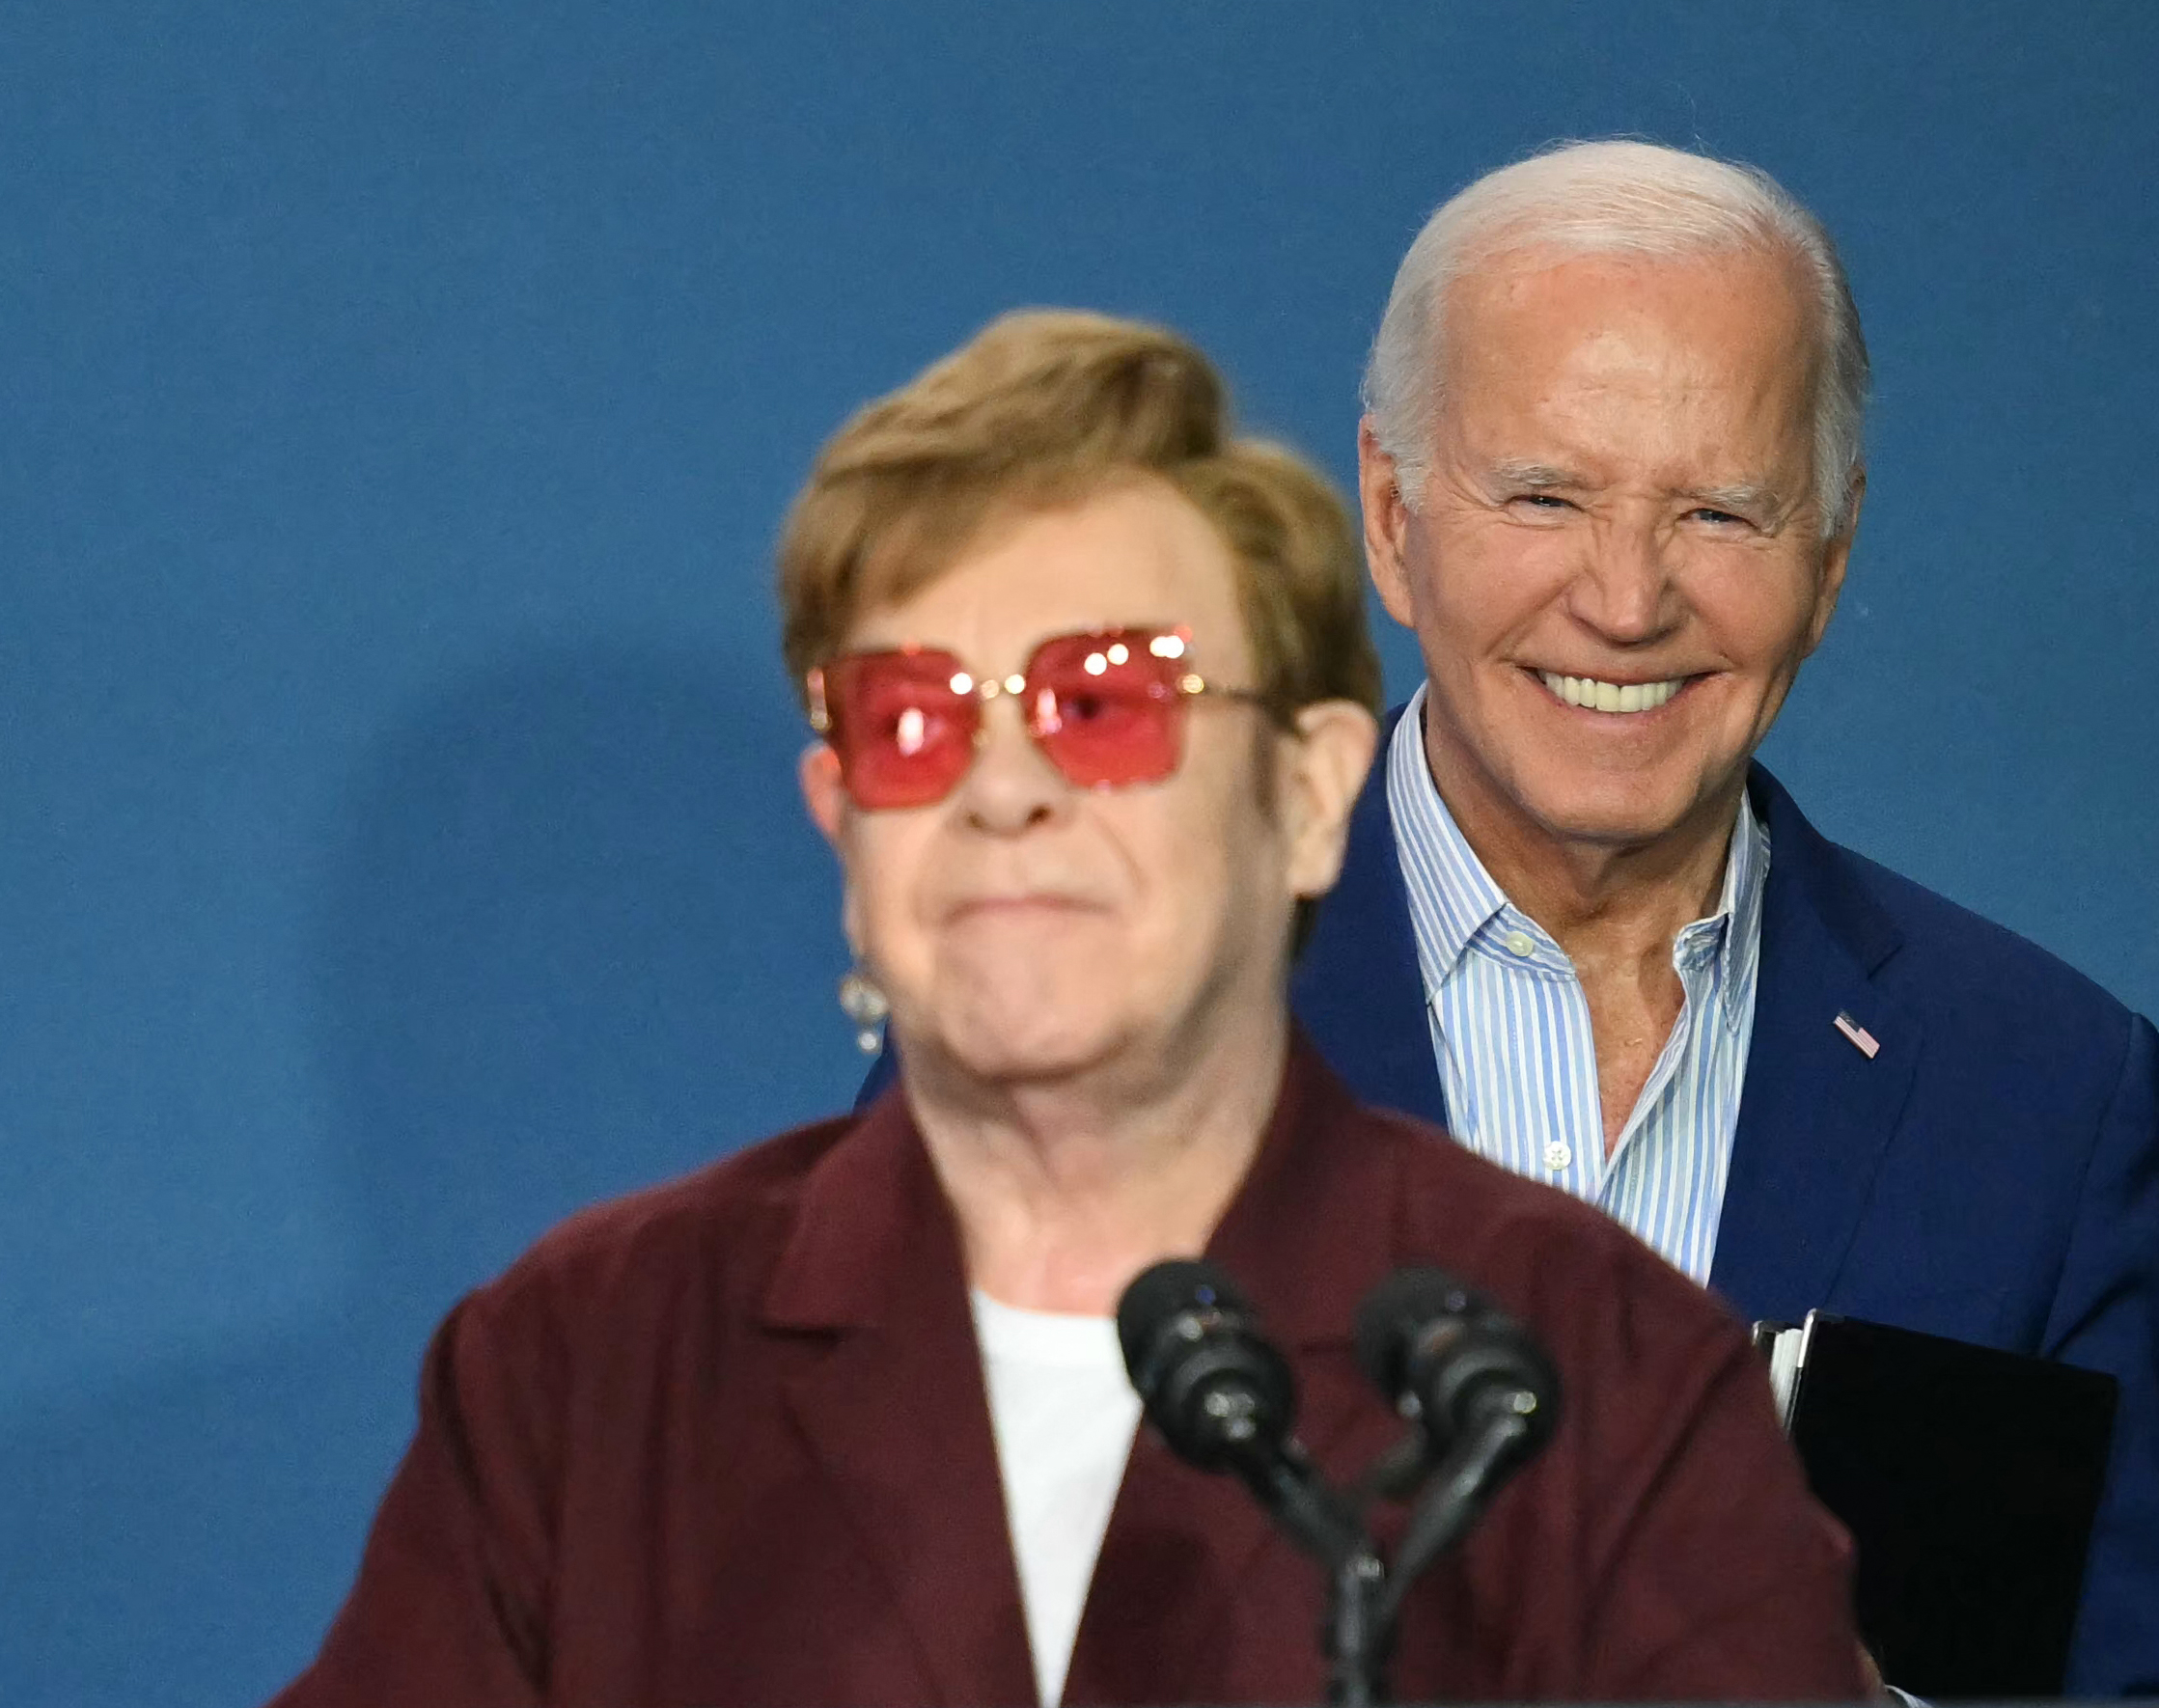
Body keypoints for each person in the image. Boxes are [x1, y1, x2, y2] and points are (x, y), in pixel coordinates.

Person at [269, 311, 1868, 1707]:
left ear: (1310, 795)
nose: (1003, 791)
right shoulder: (592, 1361)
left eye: (1101, 702)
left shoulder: (1586, 1368)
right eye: (910, 723)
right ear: (843, 824)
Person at [1315, 141, 2159, 1700]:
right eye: (1546, 493)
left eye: (1719, 512)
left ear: (1828, 559)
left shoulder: (2034, 1091)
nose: (1626, 600)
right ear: (1390, 514)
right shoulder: (1108, 1024)